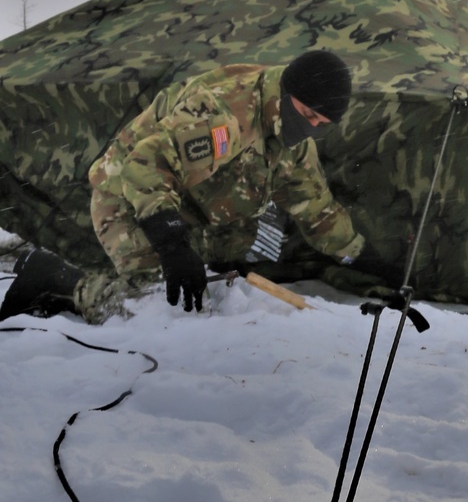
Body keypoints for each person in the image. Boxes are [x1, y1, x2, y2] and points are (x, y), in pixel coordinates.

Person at [0, 50, 387, 324]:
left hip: (189, 204)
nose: (313, 128)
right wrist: (171, 244)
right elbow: (145, 166)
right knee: (149, 309)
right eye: (308, 115)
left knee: (210, 290)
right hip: (129, 193)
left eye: (323, 124)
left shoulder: (295, 139)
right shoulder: (226, 112)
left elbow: (315, 209)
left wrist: (363, 256)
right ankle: (59, 278)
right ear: (286, 95)